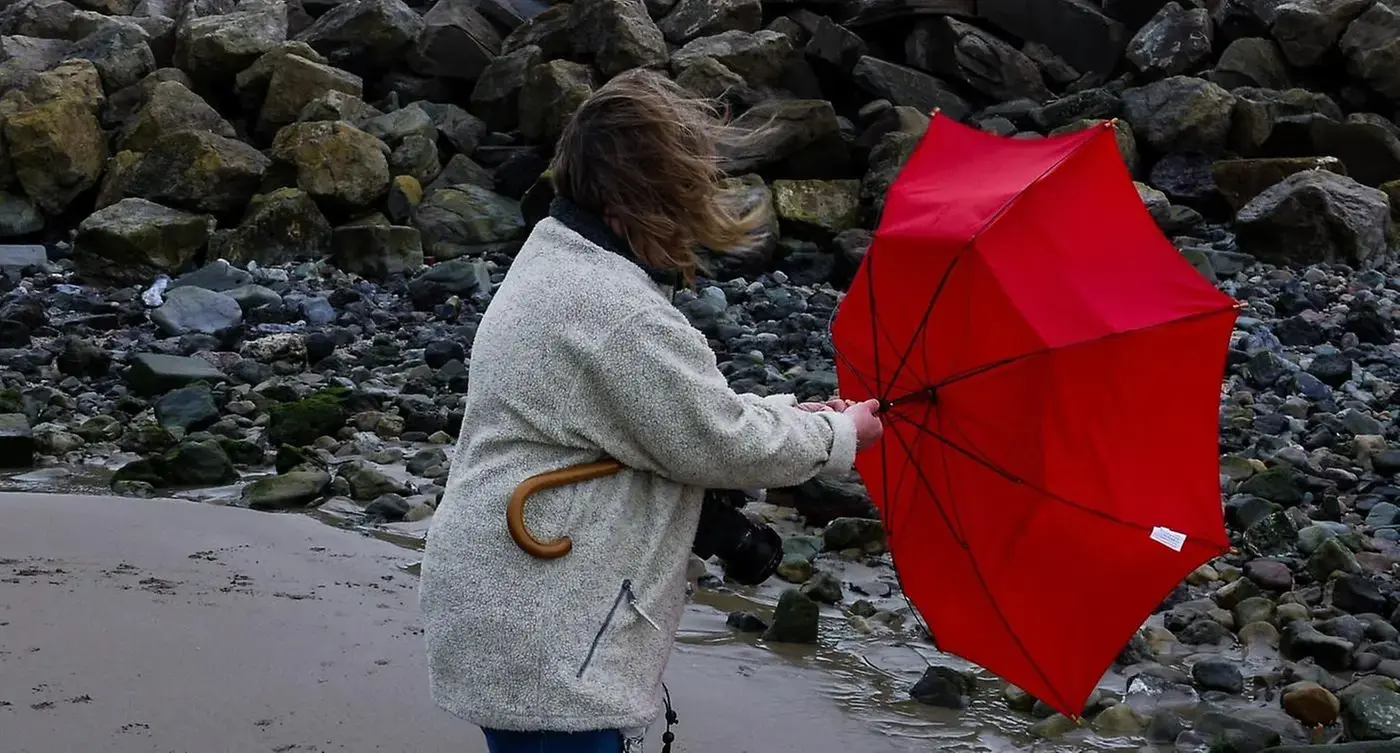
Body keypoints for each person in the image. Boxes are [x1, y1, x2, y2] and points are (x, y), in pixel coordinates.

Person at [418, 69, 885, 753]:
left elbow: (663, 417)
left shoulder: (556, 259)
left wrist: (794, 412)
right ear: (641, 201)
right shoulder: (616, 313)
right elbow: (716, 439)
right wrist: (840, 433)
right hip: (545, 634)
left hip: (505, 605)